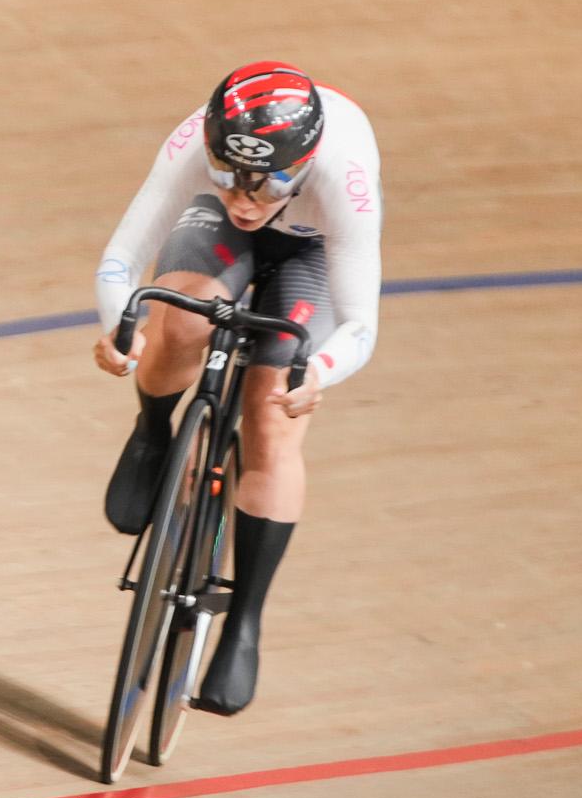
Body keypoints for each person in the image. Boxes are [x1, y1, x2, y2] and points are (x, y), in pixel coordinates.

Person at [92, 61, 381, 715]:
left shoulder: (345, 176)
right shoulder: (195, 139)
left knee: (272, 415)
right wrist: (121, 326)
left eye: (268, 182)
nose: (245, 198)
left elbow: (361, 322)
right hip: (215, 240)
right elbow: (120, 260)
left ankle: (243, 619)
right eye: (228, 175)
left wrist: (322, 372)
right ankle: (151, 433)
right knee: (182, 315)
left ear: (303, 164)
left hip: (311, 253)